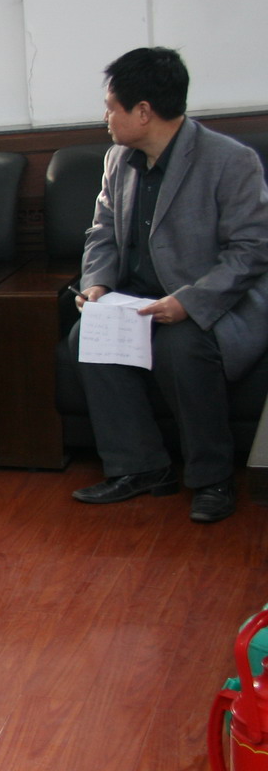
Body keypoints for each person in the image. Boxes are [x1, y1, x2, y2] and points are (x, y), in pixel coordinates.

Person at [69, 46, 268, 522]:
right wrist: (97, 285)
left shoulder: (230, 160)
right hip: (136, 297)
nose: (105, 117)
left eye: (111, 107)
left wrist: (188, 302)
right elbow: (102, 232)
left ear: (143, 111)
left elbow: (251, 251)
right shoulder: (118, 159)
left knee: (182, 346)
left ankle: (212, 479)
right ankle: (141, 468)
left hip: (213, 301)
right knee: (87, 334)